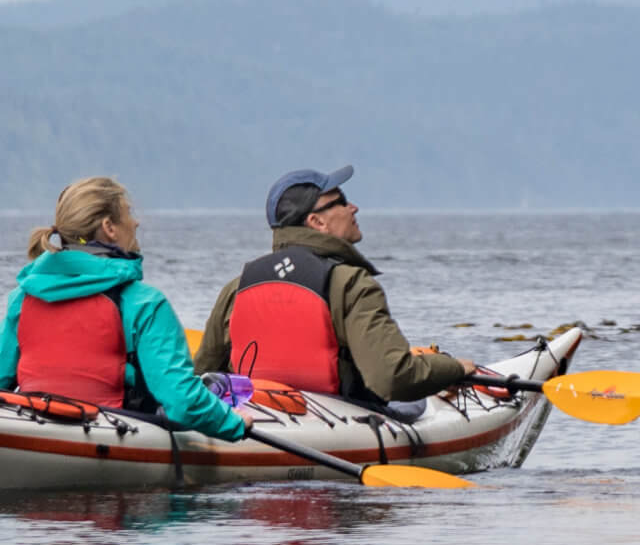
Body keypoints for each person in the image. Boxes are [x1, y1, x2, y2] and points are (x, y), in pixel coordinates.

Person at [0, 176, 248, 443]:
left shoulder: (23, 298)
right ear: (109, 227)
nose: (136, 222)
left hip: (36, 426)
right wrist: (235, 423)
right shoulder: (144, 303)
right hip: (118, 436)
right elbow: (182, 403)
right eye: (128, 212)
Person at [194, 165, 476, 412]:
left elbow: (201, 376)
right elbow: (390, 377)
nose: (353, 208)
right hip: (345, 421)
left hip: (261, 413)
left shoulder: (237, 288)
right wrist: (453, 369)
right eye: (341, 201)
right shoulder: (350, 283)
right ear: (317, 221)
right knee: (417, 403)